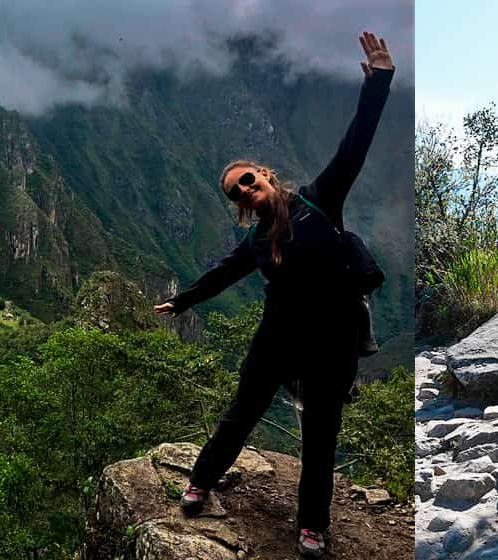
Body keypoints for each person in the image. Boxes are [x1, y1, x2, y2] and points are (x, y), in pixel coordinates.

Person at [152, 31, 392, 558]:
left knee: (321, 435)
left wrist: (379, 83)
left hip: (332, 339)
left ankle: (312, 525)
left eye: (246, 179)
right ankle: (200, 481)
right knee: (242, 412)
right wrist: (183, 301)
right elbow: (221, 274)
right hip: (278, 339)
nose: (243, 188)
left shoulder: (318, 201)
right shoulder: (256, 239)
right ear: (239, 203)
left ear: (264, 174)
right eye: (235, 190)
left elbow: (356, 144)